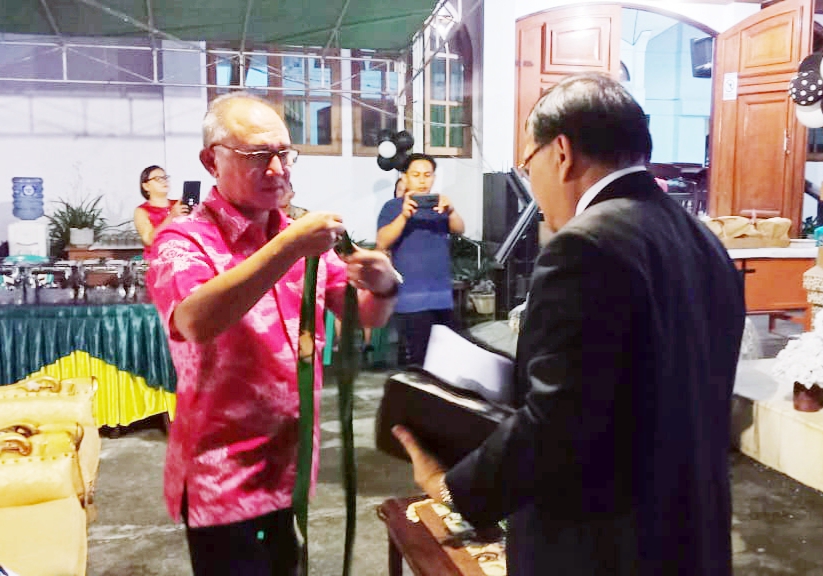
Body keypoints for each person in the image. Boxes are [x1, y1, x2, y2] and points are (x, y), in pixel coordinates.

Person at [393, 73, 746, 576]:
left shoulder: (584, 245)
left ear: (560, 152)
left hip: (606, 545)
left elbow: (558, 421)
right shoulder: (704, 241)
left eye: (527, 164)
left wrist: (456, 489)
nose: (531, 185)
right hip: (691, 533)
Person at [147, 91, 400, 576]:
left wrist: (386, 285)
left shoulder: (298, 234)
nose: (278, 169)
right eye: (257, 156)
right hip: (221, 477)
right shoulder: (183, 240)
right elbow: (195, 320)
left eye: (284, 153)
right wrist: (287, 247)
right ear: (211, 161)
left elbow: (364, 315)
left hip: (289, 467)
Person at [376, 153, 465, 365]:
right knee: (420, 361)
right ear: (405, 178)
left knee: (447, 361)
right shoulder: (392, 207)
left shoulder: (440, 206)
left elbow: (459, 229)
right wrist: (404, 216)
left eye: (427, 175)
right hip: (411, 299)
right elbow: (382, 242)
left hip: (442, 296)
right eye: (416, 175)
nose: (422, 180)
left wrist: (451, 210)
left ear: (434, 177)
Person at [133, 165, 190, 259]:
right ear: (146, 186)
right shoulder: (141, 211)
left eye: (165, 177)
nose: (164, 181)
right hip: (159, 260)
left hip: (185, 257)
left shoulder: (178, 204)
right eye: (158, 179)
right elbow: (149, 240)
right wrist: (171, 217)